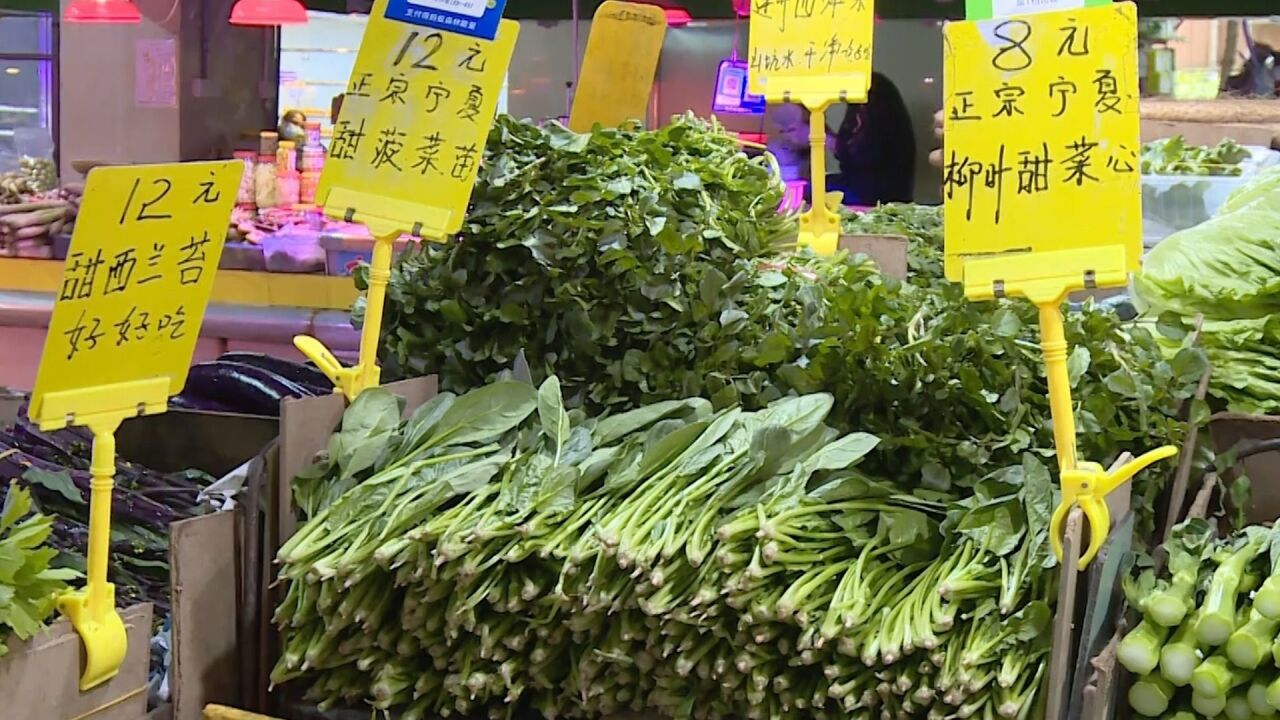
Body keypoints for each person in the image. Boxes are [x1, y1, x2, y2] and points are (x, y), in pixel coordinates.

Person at [831, 72, 916, 205]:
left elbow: (862, 156)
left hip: (878, 196)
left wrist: (824, 138)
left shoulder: (874, 95)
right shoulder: (866, 102)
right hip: (871, 189)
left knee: (810, 190)